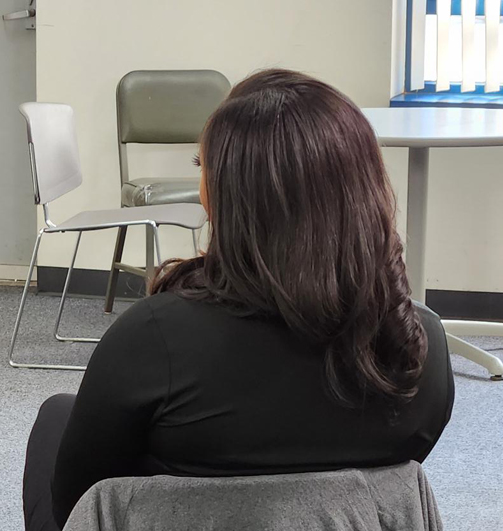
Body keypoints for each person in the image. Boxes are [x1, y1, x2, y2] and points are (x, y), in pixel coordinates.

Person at [22, 69, 455, 530]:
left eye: (201, 167)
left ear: (231, 195)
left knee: (56, 417)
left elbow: (80, 502)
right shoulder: (416, 344)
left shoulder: (157, 338)